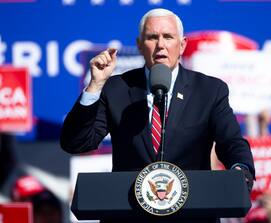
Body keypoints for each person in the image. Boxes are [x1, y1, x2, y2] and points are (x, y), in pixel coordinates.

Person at [60, 8, 255, 223]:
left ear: (182, 45)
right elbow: (76, 143)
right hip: (129, 215)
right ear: (140, 45)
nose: (160, 44)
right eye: (152, 37)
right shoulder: (116, 89)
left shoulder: (209, 90)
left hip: (192, 216)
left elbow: (231, 142)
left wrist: (241, 168)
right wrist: (95, 85)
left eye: (168, 37)